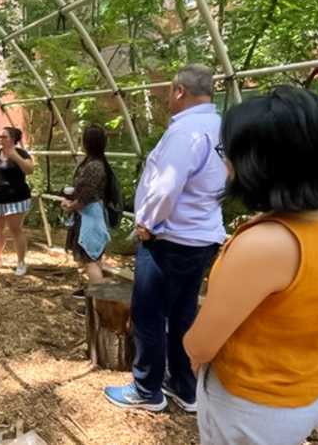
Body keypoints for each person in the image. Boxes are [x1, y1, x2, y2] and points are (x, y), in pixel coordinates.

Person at [184, 87, 318, 444]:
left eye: (230, 152)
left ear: (265, 164)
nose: (226, 162)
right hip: (307, 389)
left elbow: (201, 344)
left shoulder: (267, 244)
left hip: (253, 405)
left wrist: (190, 347)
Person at [104, 64, 226, 412]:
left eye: (167, 93)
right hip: (202, 237)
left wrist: (148, 224)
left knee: (149, 314)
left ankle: (146, 390)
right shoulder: (221, 128)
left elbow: (167, 185)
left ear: (179, 91)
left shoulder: (186, 132)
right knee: (183, 312)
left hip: (170, 239)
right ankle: (185, 388)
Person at [62, 125, 112, 296]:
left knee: (90, 260)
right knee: (94, 258)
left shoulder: (93, 166)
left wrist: (70, 205)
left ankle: (98, 301)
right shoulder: (96, 163)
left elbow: (86, 196)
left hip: (90, 218)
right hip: (93, 215)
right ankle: (96, 296)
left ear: (86, 142)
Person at [0, 126, 34, 276]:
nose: (0, 138)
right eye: (0, 136)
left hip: (16, 199)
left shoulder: (22, 153)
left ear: (12, 139)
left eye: (4, 136)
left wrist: (15, 156)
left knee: (15, 230)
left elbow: (30, 170)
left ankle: (21, 263)